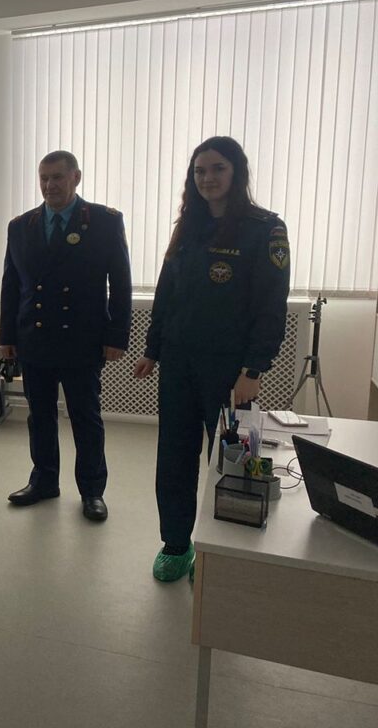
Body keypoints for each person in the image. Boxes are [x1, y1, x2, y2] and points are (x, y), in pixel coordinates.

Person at [133, 136, 290, 582]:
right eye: (200, 171)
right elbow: (167, 293)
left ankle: (219, 551)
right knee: (175, 456)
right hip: (179, 363)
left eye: (218, 168)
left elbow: (270, 305)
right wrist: (152, 349)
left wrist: (254, 369)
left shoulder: (265, 229)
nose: (208, 178)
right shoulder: (190, 225)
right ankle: (176, 543)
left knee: (229, 460)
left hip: (230, 370)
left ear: (236, 172)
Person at [0, 150, 132, 521]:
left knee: (85, 416)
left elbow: (121, 283)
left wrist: (117, 336)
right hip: (34, 337)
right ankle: (44, 480)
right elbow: (11, 284)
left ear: (76, 177)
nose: (49, 185)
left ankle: (92, 490)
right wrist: (8, 335)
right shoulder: (21, 225)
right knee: (39, 415)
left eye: (57, 177)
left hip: (82, 338)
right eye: (43, 178)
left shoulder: (104, 221)